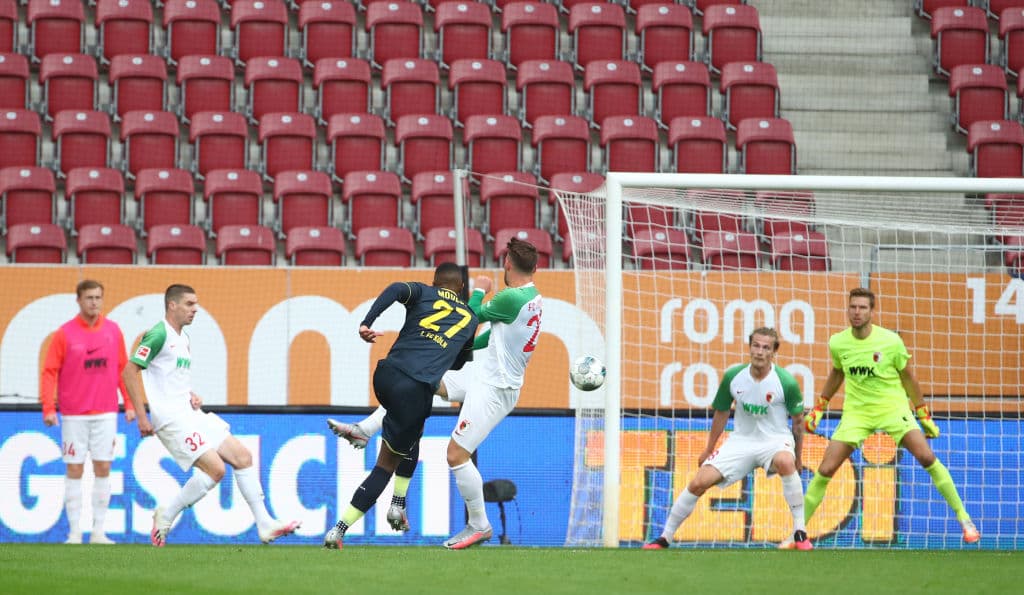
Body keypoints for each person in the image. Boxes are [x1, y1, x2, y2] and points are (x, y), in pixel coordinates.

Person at [328, 237, 542, 549]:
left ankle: (479, 525)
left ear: (507, 264)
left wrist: (480, 288)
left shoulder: (510, 299)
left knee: (456, 455)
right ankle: (366, 430)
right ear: (535, 267)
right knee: (421, 382)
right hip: (484, 374)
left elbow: (469, 318)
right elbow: (479, 340)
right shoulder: (534, 298)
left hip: (496, 389)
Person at [122, 284, 300, 547]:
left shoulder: (183, 338)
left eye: (196, 304)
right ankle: (167, 514)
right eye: (189, 304)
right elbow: (129, 372)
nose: (195, 309)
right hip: (171, 419)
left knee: (243, 457)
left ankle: (265, 524)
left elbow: (169, 376)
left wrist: (190, 393)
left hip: (189, 411)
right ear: (172, 305)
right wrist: (141, 416)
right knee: (216, 469)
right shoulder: (158, 333)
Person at [801, 287, 979, 544]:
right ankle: (797, 533)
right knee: (826, 467)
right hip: (857, 414)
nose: (857, 312)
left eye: (862, 307)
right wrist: (820, 406)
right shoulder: (838, 342)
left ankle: (965, 521)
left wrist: (922, 413)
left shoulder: (891, 342)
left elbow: (908, 376)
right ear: (847, 309)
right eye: (853, 307)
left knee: (926, 456)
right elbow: (837, 372)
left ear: (872, 312)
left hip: (893, 409)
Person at [323, 263, 479, 549]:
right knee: (386, 464)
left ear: (435, 281)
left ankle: (366, 436)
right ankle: (340, 528)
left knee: (411, 429)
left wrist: (366, 322)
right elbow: (458, 362)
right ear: (460, 288)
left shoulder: (423, 292)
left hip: (385, 376)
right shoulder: (469, 318)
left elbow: (396, 289)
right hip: (415, 390)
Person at [643, 327, 811, 550]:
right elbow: (721, 412)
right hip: (741, 442)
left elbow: (798, 423)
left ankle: (800, 532)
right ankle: (665, 537)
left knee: (786, 462)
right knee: (698, 482)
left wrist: (798, 458)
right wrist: (708, 448)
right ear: (750, 347)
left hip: (775, 440)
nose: (759, 352)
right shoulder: (734, 377)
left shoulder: (786, 382)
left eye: (765, 347)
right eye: (756, 346)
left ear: (774, 352)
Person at [40, 280, 136, 545]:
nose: (94, 302)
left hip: (105, 412)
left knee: (104, 466)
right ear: (78, 300)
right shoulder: (65, 334)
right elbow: (49, 371)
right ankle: (74, 532)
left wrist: (129, 403)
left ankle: (98, 531)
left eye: (98, 297)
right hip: (73, 414)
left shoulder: (113, 331)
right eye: (89, 298)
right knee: (74, 469)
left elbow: (122, 369)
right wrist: (49, 407)